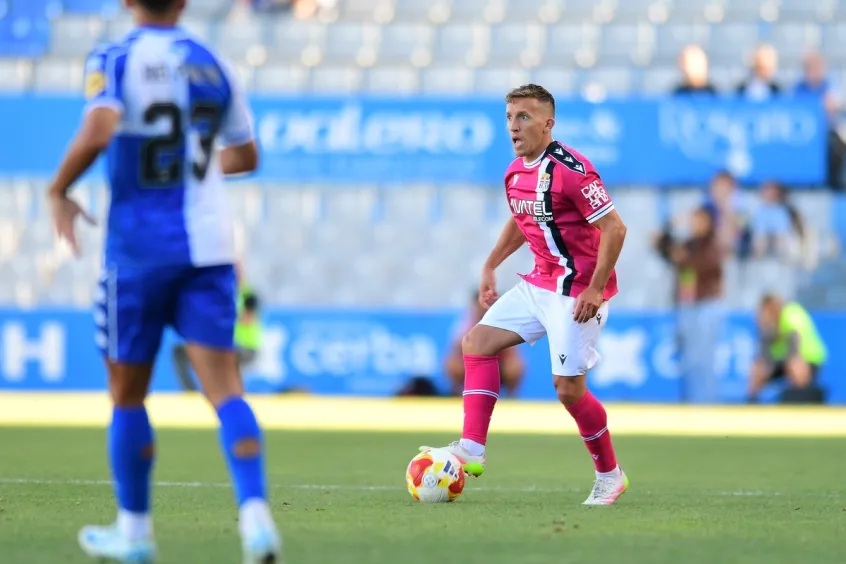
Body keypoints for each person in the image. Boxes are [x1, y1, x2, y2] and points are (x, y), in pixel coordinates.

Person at [45, 1, 281, 562]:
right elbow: (247, 154)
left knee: (127, 394)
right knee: (225, 390)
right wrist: (190, 166)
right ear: (184, 3)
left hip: (138, 253)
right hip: (209, 249)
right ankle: (257, 521)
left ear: (129, 2)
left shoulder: (114, 57)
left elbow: (100, 128)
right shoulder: (214, 64)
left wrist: (58, 189)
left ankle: (135, 532)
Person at [421, 84, 629, 506]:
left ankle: (611, 475)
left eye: (525, 117)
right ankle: (472, 449)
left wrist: (594, 287)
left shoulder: (573, 170)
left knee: (569, 390)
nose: (514, 127)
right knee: (476, 343)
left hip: (576, 292)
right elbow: (522, 219)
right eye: (510, 118)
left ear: (548, 123)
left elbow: (615, 228)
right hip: (538, 282)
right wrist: (490, 264)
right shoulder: (515, 172)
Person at [667, 207, 727, 404]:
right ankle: (693, 401)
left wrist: (684, 258)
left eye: (699, 220)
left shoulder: (713, 244)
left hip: (706, 304)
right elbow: (666, 251)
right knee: (690, 358)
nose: (695, 225)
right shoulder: (689, 244)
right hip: (688, 305)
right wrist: (668, 227)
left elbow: (704, 265)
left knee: (705, 358)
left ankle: (707, 402)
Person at [172, 270, 263, 391]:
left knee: (223, 357)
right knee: (180, 351)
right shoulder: (218, 294)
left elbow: (247, 318)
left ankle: (231, 392)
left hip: (246, 347)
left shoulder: (246, 295)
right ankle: (190, 390)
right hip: (224, 344)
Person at [748, 294, 827, 404]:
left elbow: (794, 347)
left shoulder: (791, 313)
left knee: (794, 363)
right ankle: (751, 404)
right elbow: (764, 356)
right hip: (783, 360)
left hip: (809, 359)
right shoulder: (765, 325)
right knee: (757, 368)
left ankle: (801, 399)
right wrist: (764, 368)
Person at [444, 291, 525, 397]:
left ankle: (511, 397)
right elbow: (454, 355)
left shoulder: (504, 328)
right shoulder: (464, 328)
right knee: (454, 364)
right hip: (471, 369)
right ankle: (457, 395)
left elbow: (512, 358)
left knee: (513, 367)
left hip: (496, 370)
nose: (485, 308)